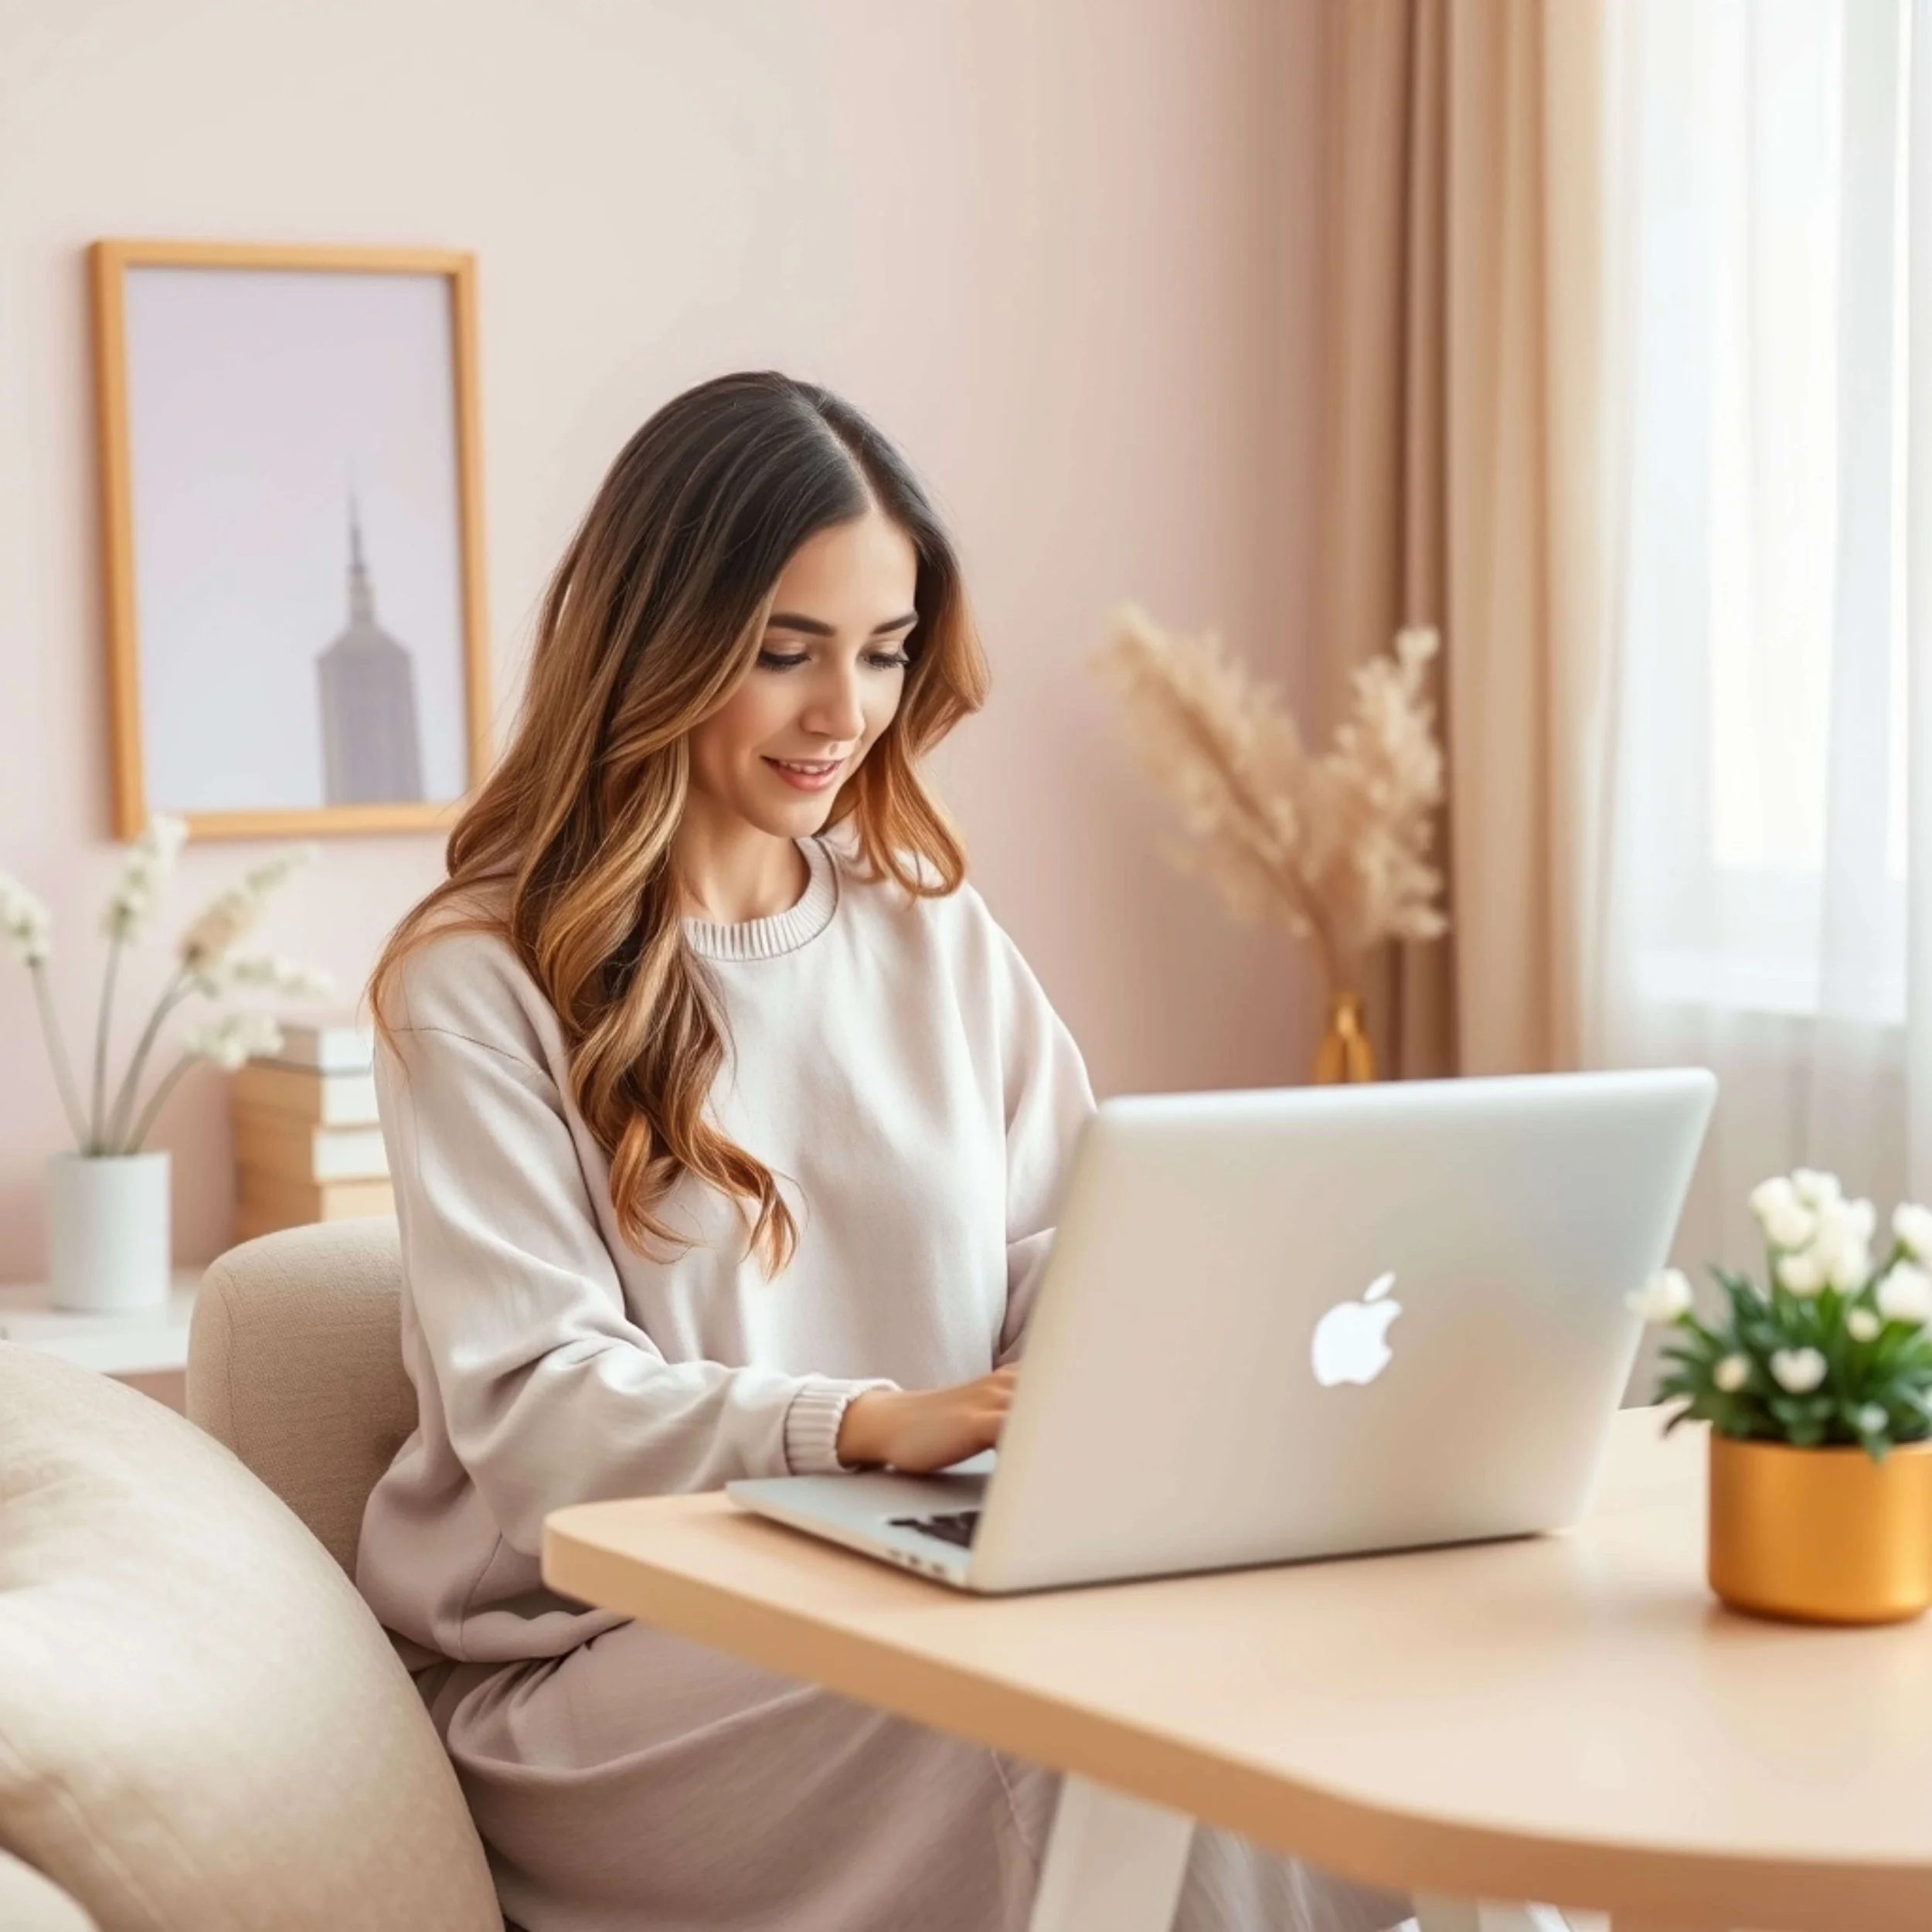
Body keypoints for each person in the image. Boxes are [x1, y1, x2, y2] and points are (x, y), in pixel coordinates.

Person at [357, 370, 1409, 1932]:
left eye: (881, 650)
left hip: (916, 1580)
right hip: (608, 1662)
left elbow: (1072, 1252)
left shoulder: (925, 927)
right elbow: (538, 1417)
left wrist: (1165, 1402)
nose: (842, 710)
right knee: (1068, 1740)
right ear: (657, 640)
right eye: (784, 651)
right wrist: (859, 1426)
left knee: (1275, 1673)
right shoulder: (477, 974)